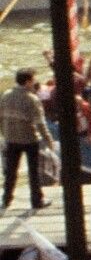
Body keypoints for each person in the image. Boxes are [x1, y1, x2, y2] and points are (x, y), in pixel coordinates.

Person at [0, 68, 49, 210]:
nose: (34, 83)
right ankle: (36, 201)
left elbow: (1, 117)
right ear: (28, 82)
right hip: (29, 139)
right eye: (33, 80)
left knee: (10, 171)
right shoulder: (32, 99)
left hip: (11, 138)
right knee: (33, 172)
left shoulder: (6, 96)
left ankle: (6, 200)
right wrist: (48, 139)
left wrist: (4, 133)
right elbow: (40, 123)